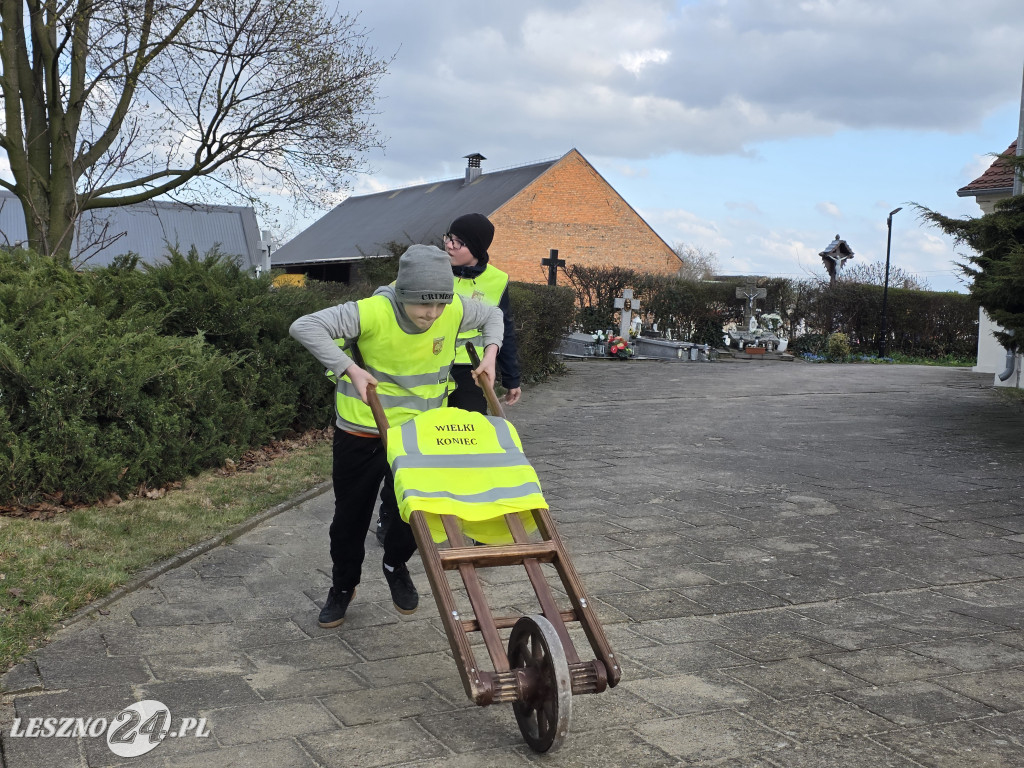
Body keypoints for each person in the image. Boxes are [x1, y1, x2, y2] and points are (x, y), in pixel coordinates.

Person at [289, 244, 504, 628]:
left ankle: (395, 564)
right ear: (403, 294)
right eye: (423, 306)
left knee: (415, 511)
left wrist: (490, 353)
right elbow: (305, 325)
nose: (433, 315)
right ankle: (343, 586)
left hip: (419, 434)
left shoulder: (452, 309)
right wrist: (348, 368)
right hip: (363, 429)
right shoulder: (372, 312)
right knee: (349, 518)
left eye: (439, 306)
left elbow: (493, 314)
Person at [375, 213, 522, 547]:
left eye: (458, 241)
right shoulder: (429, 270)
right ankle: (392, 514)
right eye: (449, 237)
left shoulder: (497, 280)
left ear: (477, 248)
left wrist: (511, 375)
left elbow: (504, 328)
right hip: (425, 369)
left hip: (468, 370)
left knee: (474, 444)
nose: (449, 244)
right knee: (409, 444)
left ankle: (480, 518)